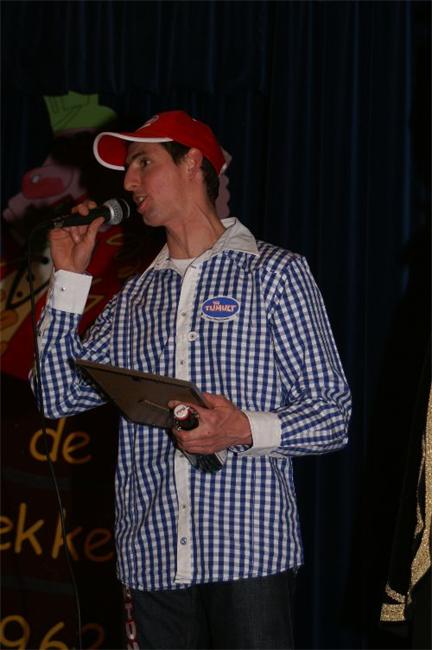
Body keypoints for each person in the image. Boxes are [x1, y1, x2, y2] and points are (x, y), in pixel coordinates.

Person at [31, 109, 352, 649]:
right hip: (152, 560)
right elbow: (55, 395)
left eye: (143, 163)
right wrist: (68, 277)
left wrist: (240, 428)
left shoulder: (274, 273)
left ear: (192, 163)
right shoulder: (133, 299)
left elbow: (331, 415)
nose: (129, 183)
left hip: (248, 554)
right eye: (127, 170)